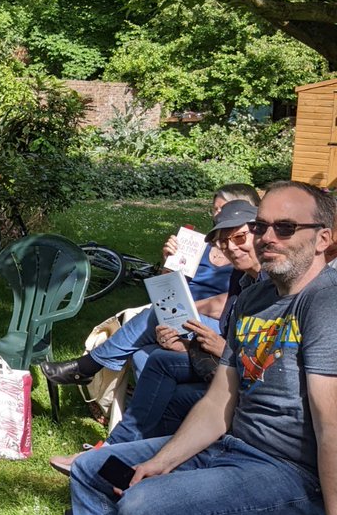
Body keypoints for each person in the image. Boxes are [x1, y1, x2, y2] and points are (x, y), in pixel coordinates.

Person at [68, 181, 337, 515]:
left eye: (286, 228)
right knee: (93, 470)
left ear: (324, 238)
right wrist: (161, 462)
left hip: (292, 479)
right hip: (231, 448)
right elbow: (218, 403)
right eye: (261, 226)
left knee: (141, 508)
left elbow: (332, 427)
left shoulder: (325, 303)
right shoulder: (254, 298)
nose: (266, 238)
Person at [49, 199, 261, 473]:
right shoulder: (243, 279)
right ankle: (120, 457)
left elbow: (267, 356)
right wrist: (187, 345)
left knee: (157, 356)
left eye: (240, 237)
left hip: (240, 375)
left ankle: (117, 450)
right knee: (153, 357)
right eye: (224, 241)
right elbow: (171, 288)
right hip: (215, 351)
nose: (231, 247)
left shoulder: (272, 284)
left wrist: (220, 347)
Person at [41, 184, 260, 386]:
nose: (218, 216)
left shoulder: (244, 254)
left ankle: (87, 366)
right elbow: (167, 286)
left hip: (215, 325)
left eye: (224, 209)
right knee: (142, 354)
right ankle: (150, 417)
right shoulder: (199, 245)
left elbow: (228, 306)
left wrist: (180, 309)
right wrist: (170, 263)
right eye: (214, 210)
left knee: (154, 315)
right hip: (180, 314)